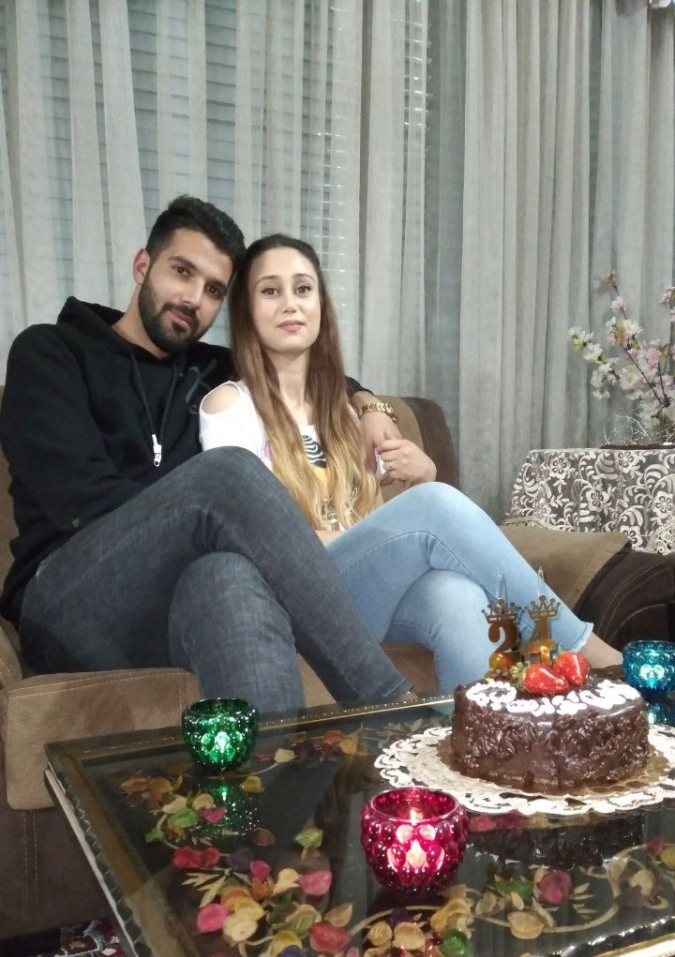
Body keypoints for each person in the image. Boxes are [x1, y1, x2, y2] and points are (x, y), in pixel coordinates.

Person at [0, 197, 411, 714]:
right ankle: (389, 703)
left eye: (214, 289)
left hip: (162, 604)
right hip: (67, 597)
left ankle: (272, 764)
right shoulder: (50, 352)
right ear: (142, 265)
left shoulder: (210, 368)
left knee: (227, 577)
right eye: (182, 271)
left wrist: (369, 405)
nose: (194, 298)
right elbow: (76, 502)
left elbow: (307, 366)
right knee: (226, 474)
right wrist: (189, 507)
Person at [199, 233, 622, 689]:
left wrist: (422, 475)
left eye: (303, 289)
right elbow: (250, 532)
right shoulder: (229, 406)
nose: (290, 304)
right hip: (296, 597)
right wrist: (417, 506)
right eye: (270, 290)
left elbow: (397, 515)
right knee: (435, 505)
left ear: (321, 305)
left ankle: (475, 730)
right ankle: (583, 648)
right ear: (246, 310)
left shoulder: (347, 412)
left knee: (457, 595)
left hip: (360, 593)